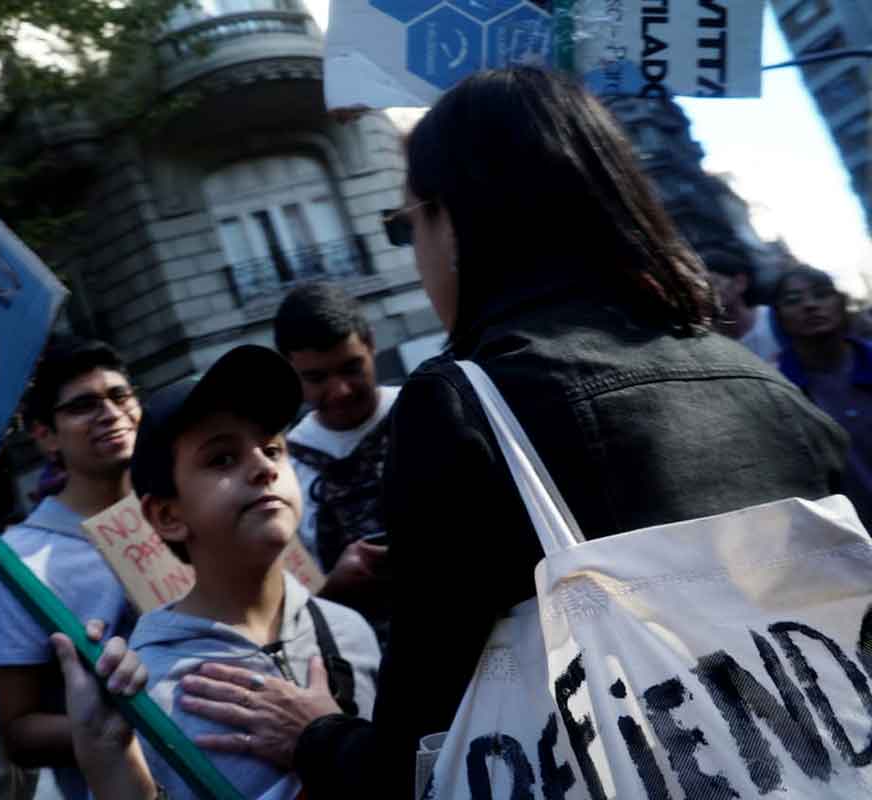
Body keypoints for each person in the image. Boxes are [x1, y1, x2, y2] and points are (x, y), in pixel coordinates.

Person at [170, 67, 849, 797]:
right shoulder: (758, 380)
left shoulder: (461, 404)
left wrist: (314, 734)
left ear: (454, 223)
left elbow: (416, 758)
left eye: (407, 226)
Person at [123, 344, 381, 798]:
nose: (263, 468)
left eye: (272, 449)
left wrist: (326, 738)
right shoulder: (149, 684)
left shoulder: (349, 630)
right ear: (167, 516)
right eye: (222, 458)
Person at [0, 336, 142, 799]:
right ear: (45, 435)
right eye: (83, 406)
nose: (110, 414)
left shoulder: (184, 511)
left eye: (119, 396)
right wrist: (124, 727)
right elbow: (19, 731)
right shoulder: (20, 563)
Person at [273, 283, 394, 641]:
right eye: (316, 378)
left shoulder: (427, 410)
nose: (340, 391)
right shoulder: (280, 467)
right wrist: (332, 590)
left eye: (351, 368)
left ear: (371, 343)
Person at [772, 266, 872, 525]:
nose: (810, 306)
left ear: (840, 303)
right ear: (779, 317)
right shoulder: (776, 389)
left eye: (821, 294)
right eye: (793, 300)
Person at [702, 243, 781, 362]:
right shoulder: (709, 342)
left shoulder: (777, 317)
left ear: (740, 283)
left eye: (713, 283)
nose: (705, 292)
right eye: (699, 287)